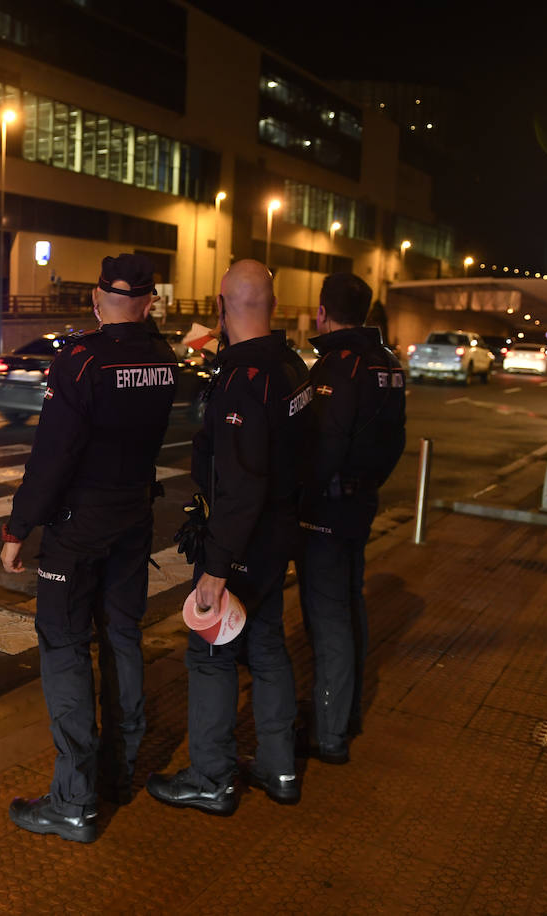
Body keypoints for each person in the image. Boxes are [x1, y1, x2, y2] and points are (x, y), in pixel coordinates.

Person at [0, 252, 177, 843]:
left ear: (98, 299)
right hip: (133, 517)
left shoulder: (80, 361)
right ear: (149, 302)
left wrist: (20, 527)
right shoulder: (163, 357)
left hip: (79, 527)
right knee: (123, 636)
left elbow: (53, 456)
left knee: (66, 646)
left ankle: (73, 801)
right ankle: (119, 773)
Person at [147, 259, 312, 815]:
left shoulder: (244, 379)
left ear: (221, 308)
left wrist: (216, 569)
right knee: (266, 646)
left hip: (242, 540)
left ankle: (211, 778)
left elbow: (241, 484)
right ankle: (280, 766)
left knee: (210, 652)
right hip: (279, 534)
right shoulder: (291, 365)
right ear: (271, 303)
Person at [297, 272, 406, 764]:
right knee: (349, 604)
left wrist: (303, 496)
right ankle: (347, 713)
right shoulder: (387, 364)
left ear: (322, 313)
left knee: (328, 618)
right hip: (361, 502)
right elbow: (396, 440)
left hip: (329, 508)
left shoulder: (336, 368)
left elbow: (323, 448)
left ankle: (329, 731)